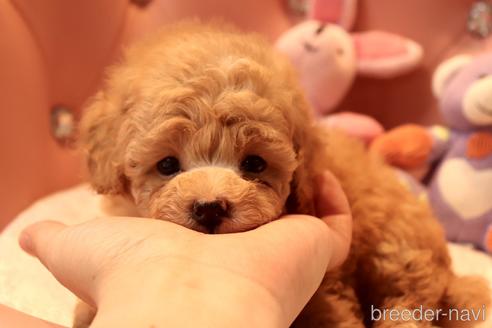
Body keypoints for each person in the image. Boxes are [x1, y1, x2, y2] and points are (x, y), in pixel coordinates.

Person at [0, 171, 352, 327]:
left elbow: (44, 238)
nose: (211, 198)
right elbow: (334, 237)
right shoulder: (299, 236)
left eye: (252, 165)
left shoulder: (108, 240)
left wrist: (40, 236)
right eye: (169, 167)